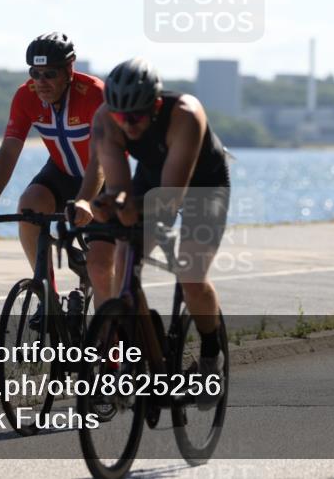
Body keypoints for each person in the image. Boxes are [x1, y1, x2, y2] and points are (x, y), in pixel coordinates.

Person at [91, 57, 230, 409]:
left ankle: (212, 358)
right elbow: (120, 188)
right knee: (124, 263)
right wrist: (109, 205)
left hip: (203, 185)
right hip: (152, 178)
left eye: (136, 116)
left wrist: (132, 208)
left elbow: (170, 199)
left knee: (191, 275)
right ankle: (141, 358)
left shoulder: (186, 113)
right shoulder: (106, 120)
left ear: (154, 105)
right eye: (122, 117)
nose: (128, 124)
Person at [0, 32, 116, 318]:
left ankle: (111, 354)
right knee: (29, 208)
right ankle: (48, 298)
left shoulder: (94, 95)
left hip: (104, 178)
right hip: (63, 171)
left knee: (101, 270)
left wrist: (86, 201)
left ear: (69, 70)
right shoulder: (26, 96)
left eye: (49, 74)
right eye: (35, 73)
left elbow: (101, 159)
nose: (41, 82)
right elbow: (9, 150)